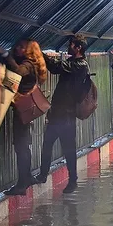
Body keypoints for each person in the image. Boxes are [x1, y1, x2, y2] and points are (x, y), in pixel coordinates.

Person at [36, 35, 89, 193]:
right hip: (58, 112)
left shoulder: (80, 64)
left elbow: (55, 67)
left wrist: (39, 53)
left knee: (68, 149)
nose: (69, 46)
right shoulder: (74, 62)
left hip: (67, 114)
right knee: (47, 144)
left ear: (78, 47)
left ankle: (72, 180)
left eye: (71, 44)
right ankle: (43, 174)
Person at [0, 40, 48, 195]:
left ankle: (22, 184)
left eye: (22, 47)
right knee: (24, 146)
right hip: (27, 110)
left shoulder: (29, 65)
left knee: (21, 146)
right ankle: (27, 178)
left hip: (22, 110)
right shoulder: (33, 63)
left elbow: (18, 71)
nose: (17, 48)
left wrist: (4, 54)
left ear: (29, 51)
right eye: (16, 45)